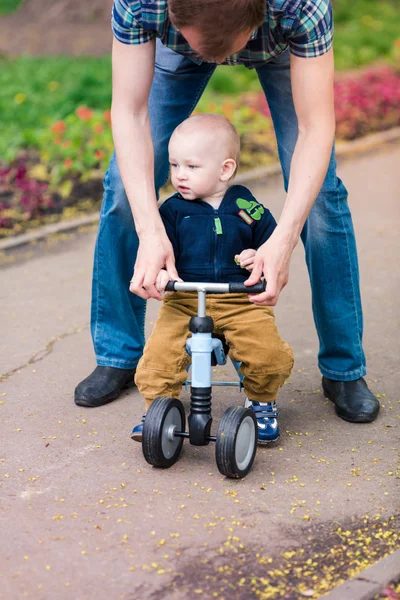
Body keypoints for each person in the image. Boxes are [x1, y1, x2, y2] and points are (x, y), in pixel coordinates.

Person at [74, 0, 379, 424]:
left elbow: (316, 127)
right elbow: (130, 111)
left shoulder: (300, 7)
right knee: (123, 192)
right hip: (176, 47)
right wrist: (150, 229)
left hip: (278, 48)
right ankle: (119, 355)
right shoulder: (142, 3)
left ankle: (344, 369)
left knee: (322, 198)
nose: (217, 64)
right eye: (204, 51)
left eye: (223, 51)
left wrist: (284, 238)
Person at [130, 114, 294, 443]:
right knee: (158, 357)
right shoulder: (173, 211)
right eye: (175, 165)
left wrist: (257, 254)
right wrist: (161, 273)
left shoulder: (244, 206)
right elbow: (160, 250)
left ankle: (261, 401)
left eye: (191, 167)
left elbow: (271, 240)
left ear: (225, 170)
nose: (179, 176)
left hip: (240, 299)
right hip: (185, 299)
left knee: (268, 354)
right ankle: (159, 408)